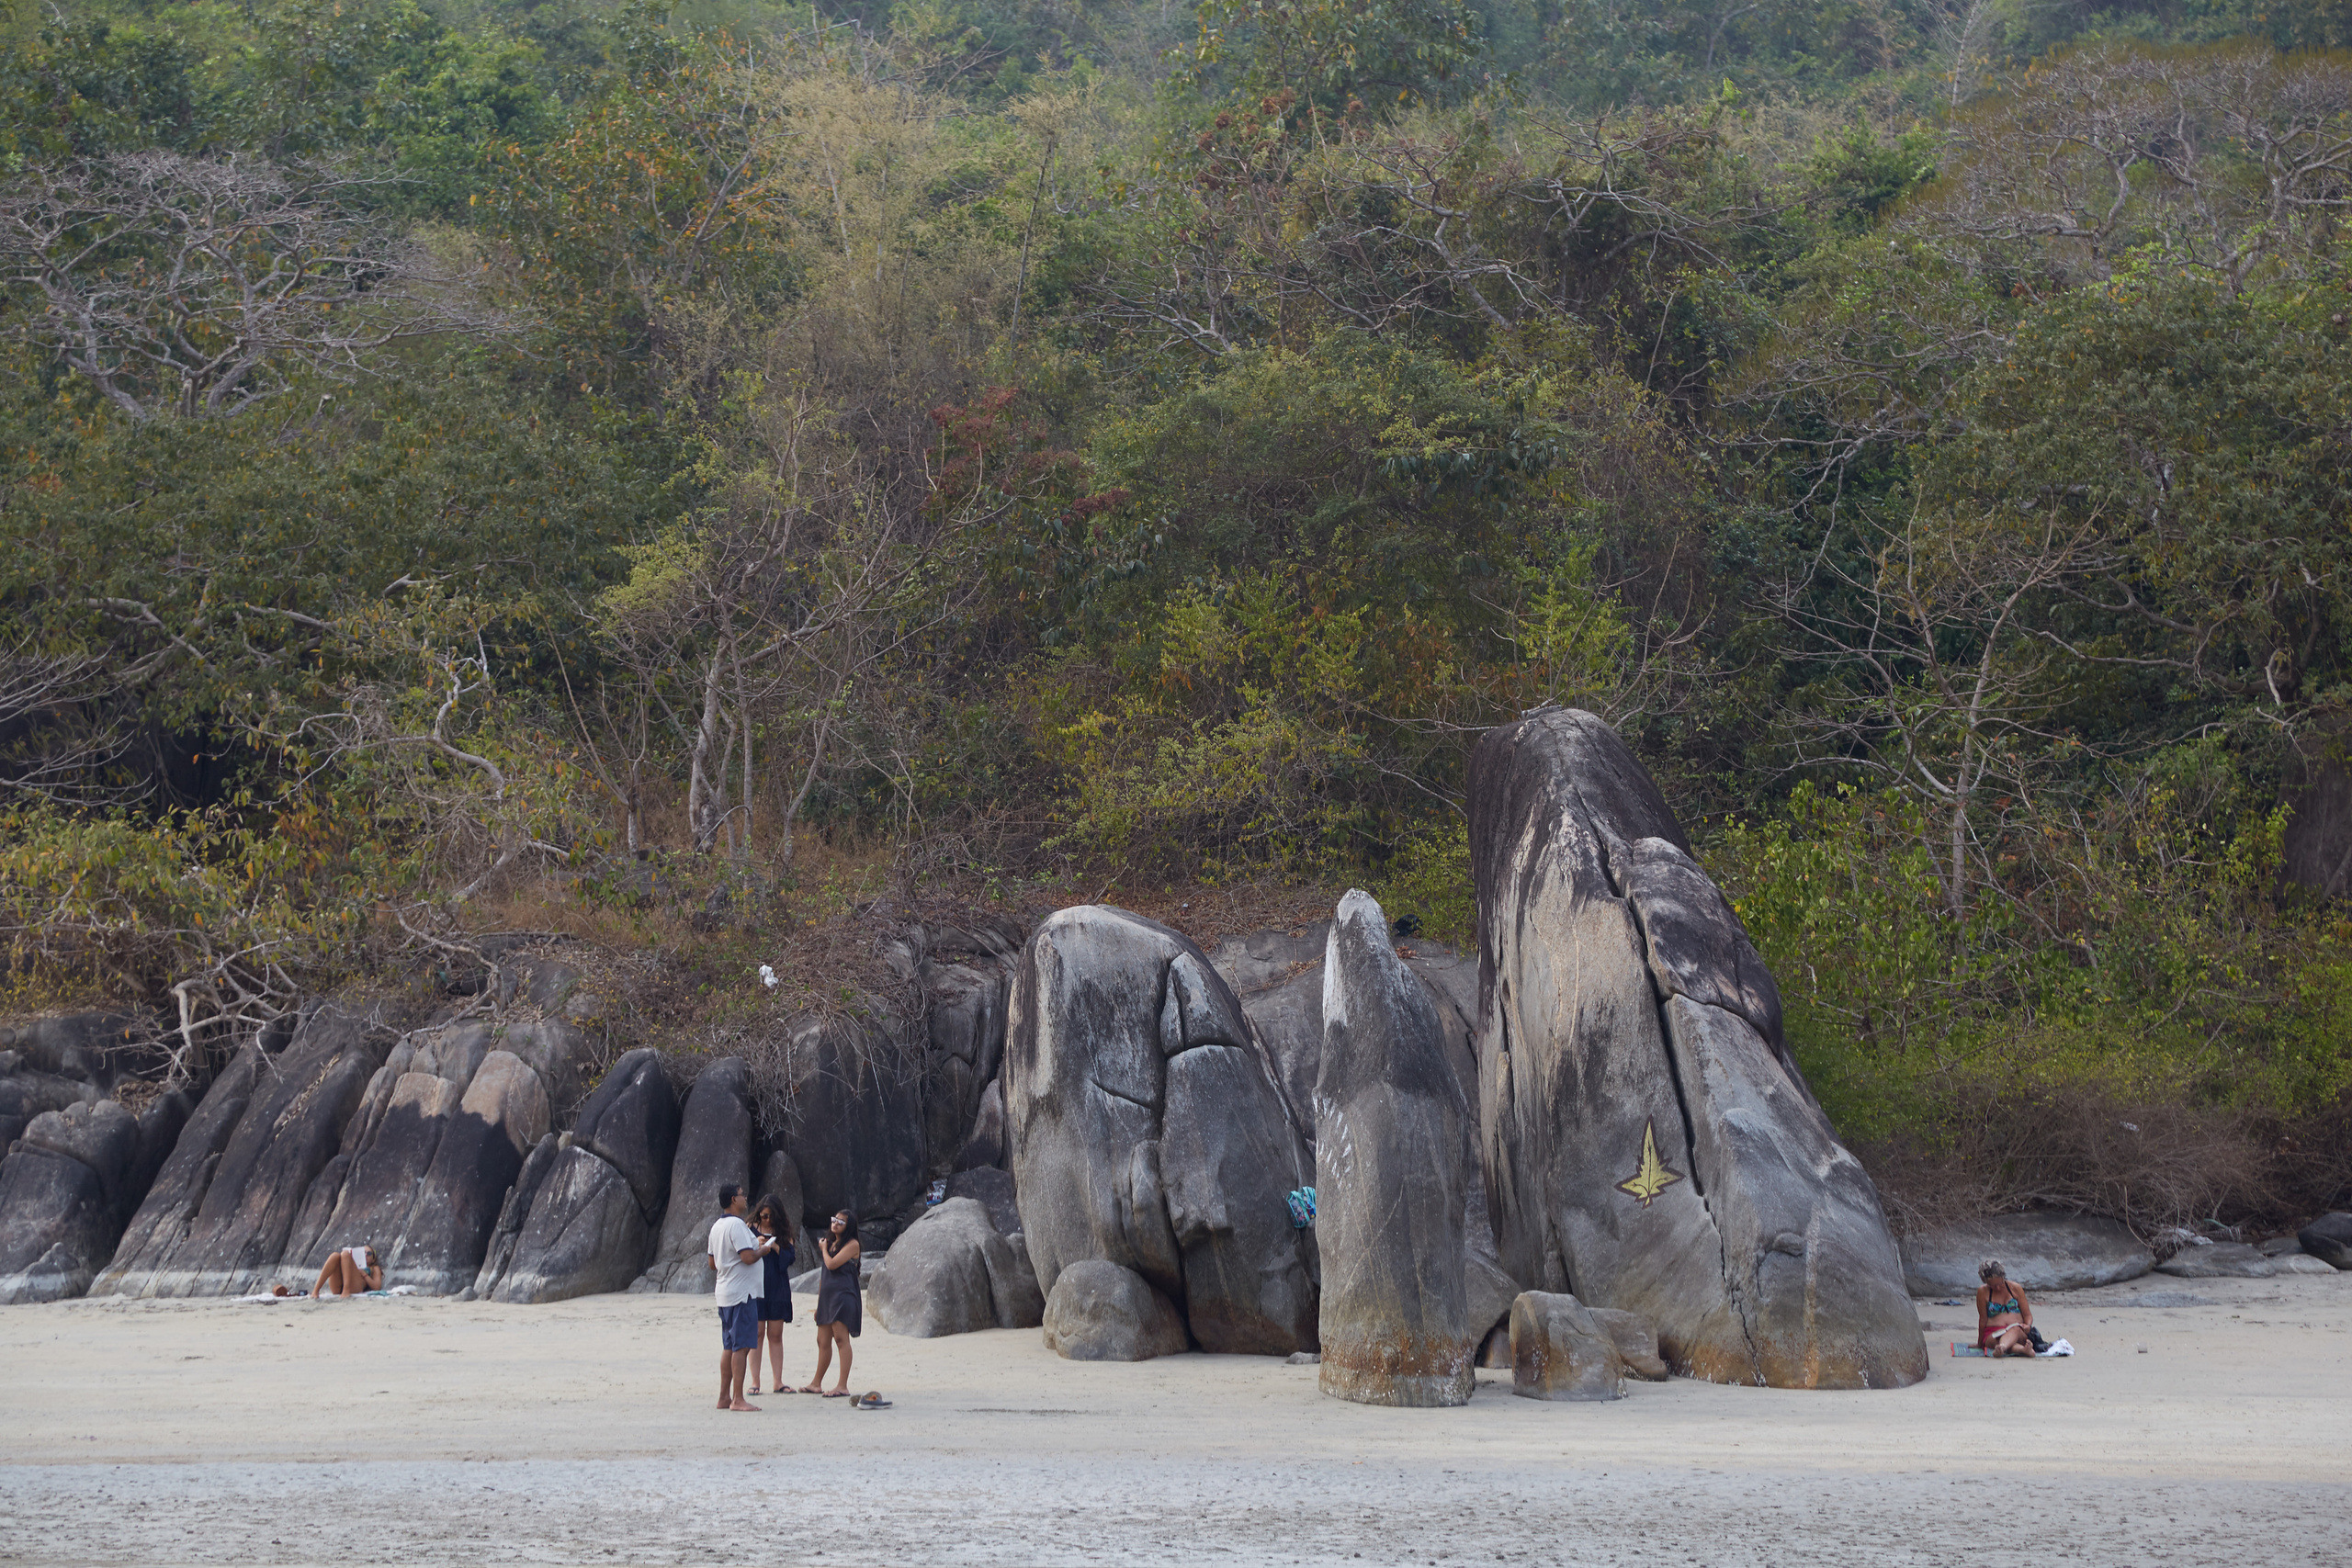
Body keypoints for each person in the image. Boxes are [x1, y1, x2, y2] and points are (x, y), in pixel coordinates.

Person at [708, 1183, 785, 1412]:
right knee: (741, 1347)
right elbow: (748, 1257)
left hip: (724, 1292)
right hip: (741, 1294)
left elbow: (712, 1263)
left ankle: (724, 1397)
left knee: (729, 1346)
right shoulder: (737, 1225)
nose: (745, 1198)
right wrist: (765, 1249)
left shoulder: (716, 1226)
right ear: (734, 1199)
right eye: (742, 1195)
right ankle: (737, 1399)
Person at [802, 1211, 861, 1397]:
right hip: (828, 1297)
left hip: (843, 1296)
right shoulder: (831, 1243)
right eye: (834, 1220)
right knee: (822, 1340)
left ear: (849, 1226)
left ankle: (842, 1385)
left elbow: (832, 1264)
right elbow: (824, 1276)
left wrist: (823, 1250)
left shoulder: (852, 1244)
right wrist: (819, 1304)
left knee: (841, 1338)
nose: (835, 1224)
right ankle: (816, 1383)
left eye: (840, 1222)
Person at [747, 1194, 796, 1396]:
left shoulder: (784, 1232)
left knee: (775, 1335)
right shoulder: (749, 1227)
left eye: (770, 1216)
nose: (766, 1220)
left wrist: (775, 1246)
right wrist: (755, 1244)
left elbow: (789, 1259)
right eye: (763, 1215)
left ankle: (778, 1381)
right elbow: (742, 1255)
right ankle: (755, 1382)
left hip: (777, 1287)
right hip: (756, 1286)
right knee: (756, 1335)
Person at [1976, 1259, 2035, 1357]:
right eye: (1993, 1286)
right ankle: (2023, 1350)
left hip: (2017, 1330)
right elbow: (1983, 1319)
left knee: (2015, 1330)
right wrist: (1979, 1343)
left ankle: (2002, 1347)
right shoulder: (1983, 1292)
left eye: (2000, 1283)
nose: (1998, 1288)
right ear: (1986, 1282)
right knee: (1996, 1340)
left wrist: (2028, 1325)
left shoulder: (2015, 1288)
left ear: (2003, 1277)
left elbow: (2027, 1314)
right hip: (1993, 1333)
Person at [312, 1242, 382, 1299]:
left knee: (345, 1254)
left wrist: (364, 1274)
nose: (365, 1255)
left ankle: (346, 1290)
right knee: (335, 1255)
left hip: (356, 1287)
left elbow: (377, 1287)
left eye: (369, 1253)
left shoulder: (374, 1268)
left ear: (373, 1259)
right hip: (338, 1287)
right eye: (363, 1252)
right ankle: (315, 1291)